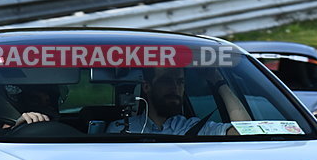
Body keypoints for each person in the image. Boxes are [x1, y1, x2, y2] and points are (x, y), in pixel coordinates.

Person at [106, 67, 251, 135]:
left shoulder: (195, 128)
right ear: (147, 86)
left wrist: (218, 81)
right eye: (166, 81)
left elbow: (246, 132)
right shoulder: (121, 129)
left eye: (180, 82)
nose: (175, 88)